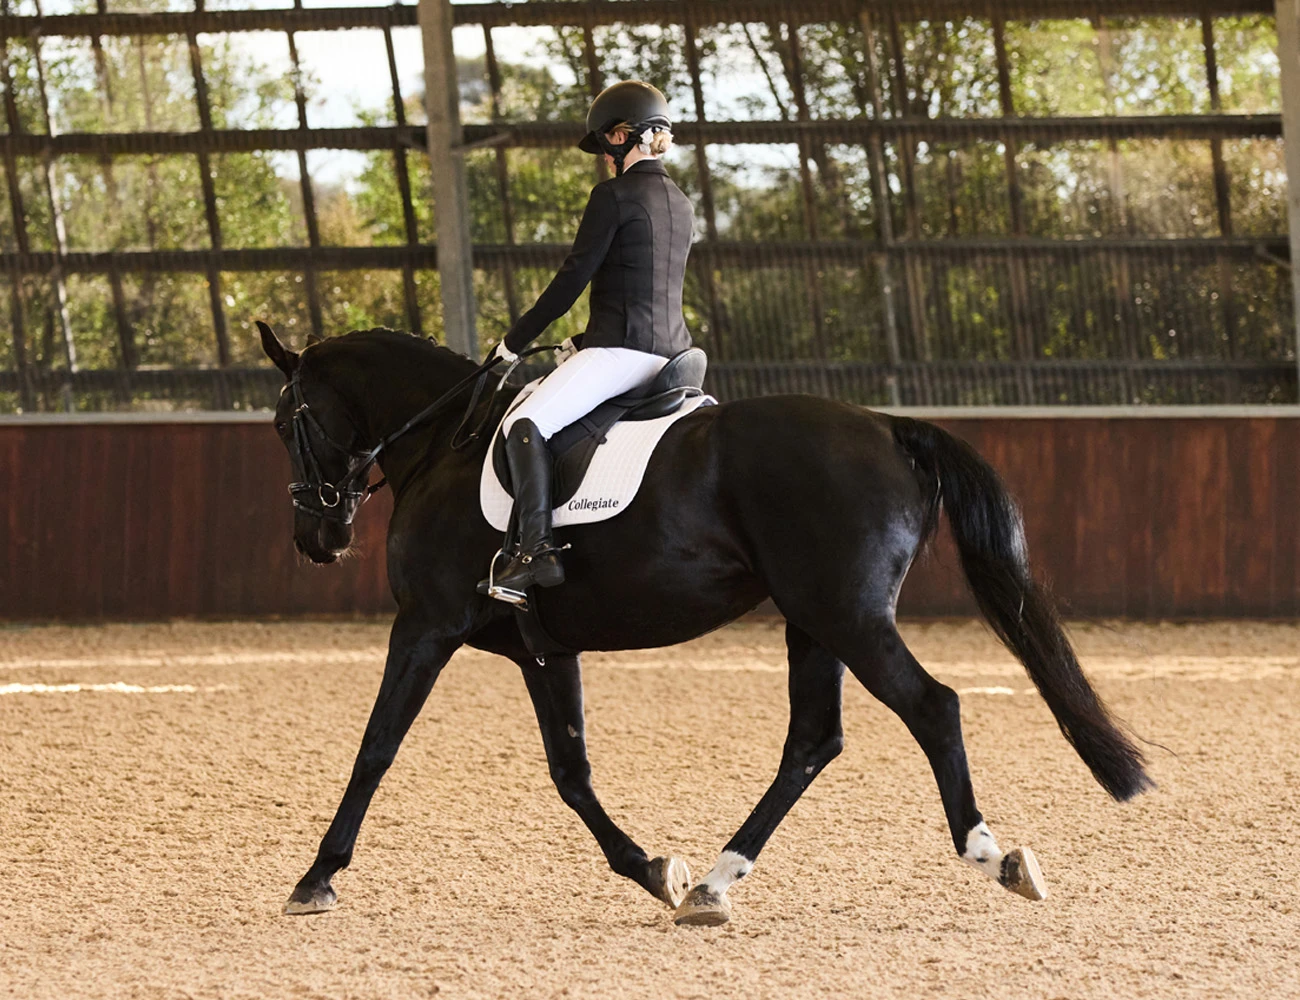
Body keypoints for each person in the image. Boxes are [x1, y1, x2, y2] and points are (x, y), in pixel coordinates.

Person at [482, 80, 696, 604]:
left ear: (624, 136)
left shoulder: (614, 196)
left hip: (623, 355)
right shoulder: (681, 202)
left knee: (524, 421)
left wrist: (513, 342)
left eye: (606, 145)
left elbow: (571, 282)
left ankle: (535, 550)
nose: (604, 158)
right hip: (674, 357)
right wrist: (583, 341)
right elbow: (643, 287)